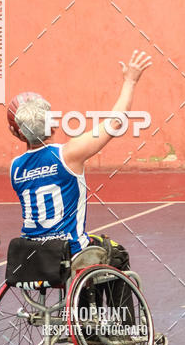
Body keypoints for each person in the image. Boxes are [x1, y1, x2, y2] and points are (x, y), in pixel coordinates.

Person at [9, 49, 152, 256]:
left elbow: (32, 150)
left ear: (18, 133)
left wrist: (21, 133)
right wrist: (130, 82)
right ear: (54, 125)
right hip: (69, 253)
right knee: (117, 254)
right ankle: (90, 289)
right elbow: (115, 122)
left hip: (32, 256)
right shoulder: (68, 155)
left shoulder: (14, 168)